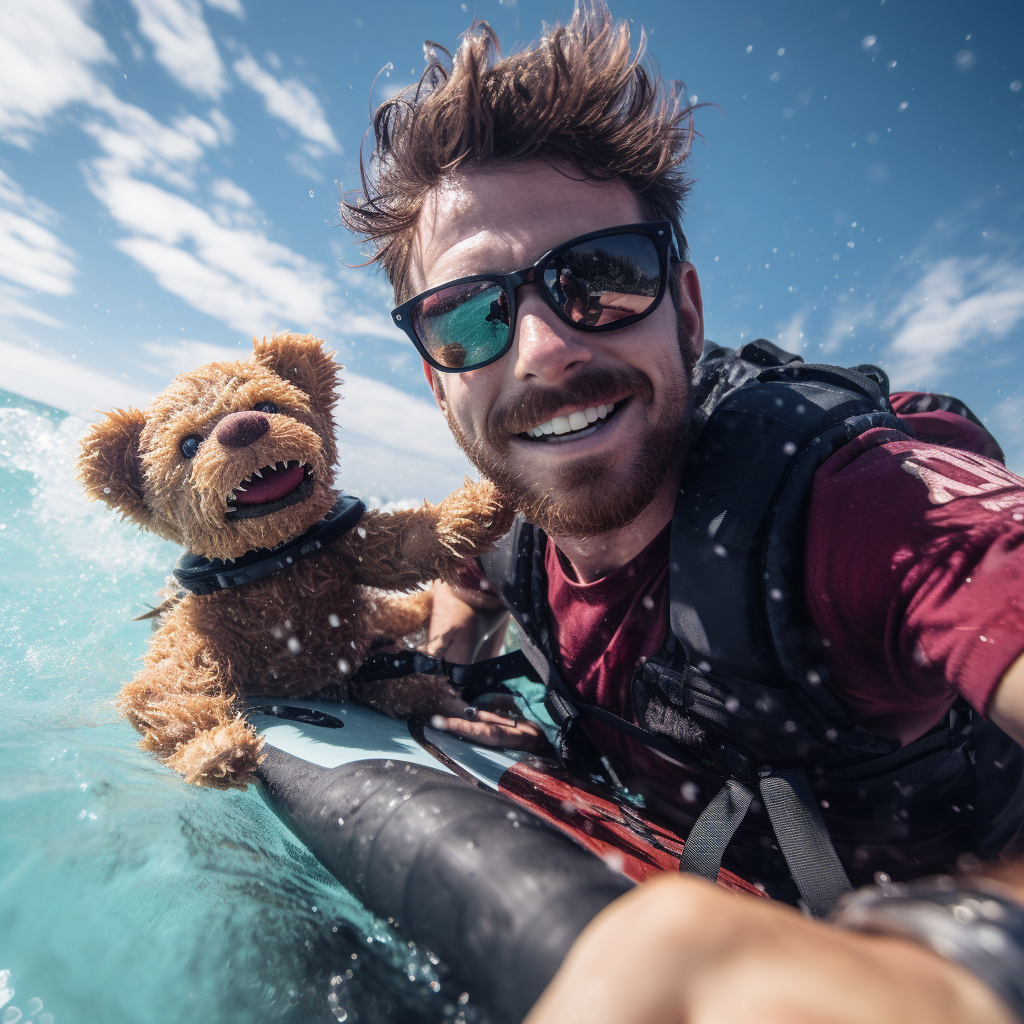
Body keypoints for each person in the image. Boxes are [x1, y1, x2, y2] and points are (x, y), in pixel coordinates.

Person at [341, 2, 1024, 1019]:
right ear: (437, 381)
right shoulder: (507, 533)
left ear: (688, 312)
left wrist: (952, 964)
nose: (542, 349)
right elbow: (457, 570)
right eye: (469, 316)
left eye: (601, 279)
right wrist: (444, 660)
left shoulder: (858, 507)